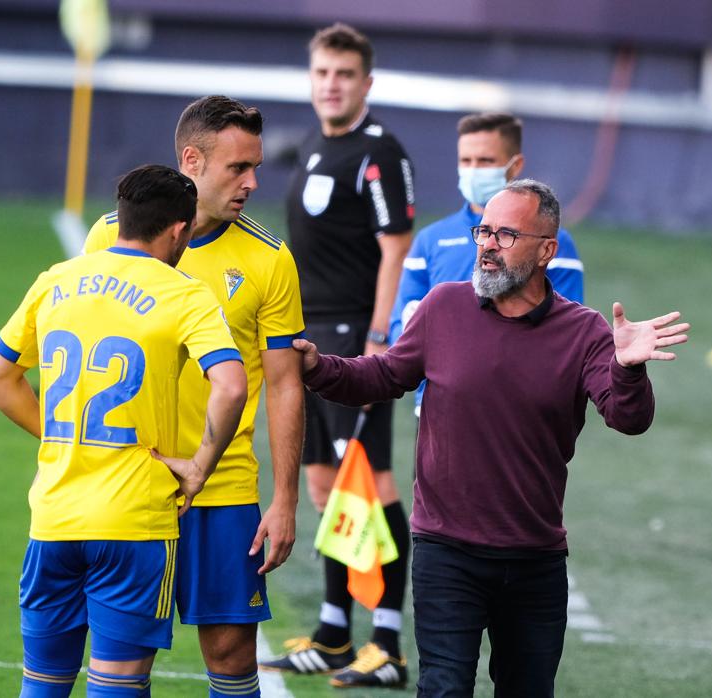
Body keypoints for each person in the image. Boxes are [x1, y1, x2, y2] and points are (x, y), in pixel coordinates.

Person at [292, 179, 690, 697]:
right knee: (444, 688)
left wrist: (628, 369)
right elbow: (383, 375)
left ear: (547, 250)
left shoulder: (586, 333)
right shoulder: (443, 308)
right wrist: (317, 366)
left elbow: (628, 418)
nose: (487, 244)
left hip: (534, 560)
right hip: (446, 551)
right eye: (484, 231)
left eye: (505, 234)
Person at [0, 164, 248, 698]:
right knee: (117, 685)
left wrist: (62, 436)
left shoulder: (55, 280)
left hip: (54, 519)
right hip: (133, 524)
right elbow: (232, 386)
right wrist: (198, 469)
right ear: (178, 230)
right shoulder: (184, 293)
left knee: (44, 682)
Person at [82, 96, 305, 698]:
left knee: (233, 657)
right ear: (192, 160)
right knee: (123, 661)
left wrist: (285, 500)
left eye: (256, 167)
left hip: (225, 488)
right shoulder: (110, 235)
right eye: (238, 168)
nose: (252, 183)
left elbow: (285, 383)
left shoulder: (269, 259)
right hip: (133, 484)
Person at [262, 23, 414, 689]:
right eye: (323, 72)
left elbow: (396, 246)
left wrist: (379, 336)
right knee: (324, 484)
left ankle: (386, 639)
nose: (331, 84)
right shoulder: (317, 144)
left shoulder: (380, 151)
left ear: (366, 83)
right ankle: (331, 631)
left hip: (356, 339)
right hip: (310, 336)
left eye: (344, 74)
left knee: (371, 486)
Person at [389, 112, 584, 418]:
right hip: (438, 411)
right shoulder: (430, 240)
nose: (473, 171)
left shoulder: (550, 241)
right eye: (466, 161)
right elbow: (400, 324)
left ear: (515, 166)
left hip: (516, 414)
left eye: (485, 161)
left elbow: (567, 333)